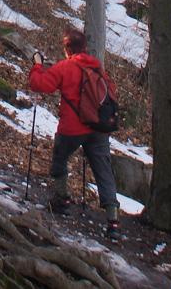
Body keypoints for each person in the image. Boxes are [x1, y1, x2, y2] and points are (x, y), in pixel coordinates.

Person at [27, 29, 120, 242]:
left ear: (67, 49)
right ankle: (113, 219)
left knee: (60, 158)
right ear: (85, 47)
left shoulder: (66, 67)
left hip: (72, 128)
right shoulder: (98, 69)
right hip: (98, 129)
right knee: (103, 170)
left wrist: (37, 65)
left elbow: (39, 84)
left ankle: (62, 200)